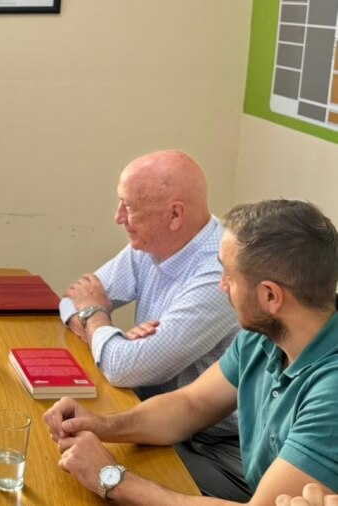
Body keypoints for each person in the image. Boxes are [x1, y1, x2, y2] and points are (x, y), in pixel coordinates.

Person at [44, 199, 338, 504]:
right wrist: (102, 424)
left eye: (229, 276)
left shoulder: (332, 392)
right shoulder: (263, 337)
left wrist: (112, 477)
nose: (221, 285)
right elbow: (191, 405)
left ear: (270, 296)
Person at [59, 150, 242, 495]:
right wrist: (117, 341)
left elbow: (123, 367)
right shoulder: (150, 244)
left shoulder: (221, 272)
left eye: (128, 207)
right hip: (159, 417)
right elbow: (72, 300)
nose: (118, 218)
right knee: (69, 452)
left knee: (86, 477)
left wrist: (98, 320)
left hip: (212, 443)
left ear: (174, 214)